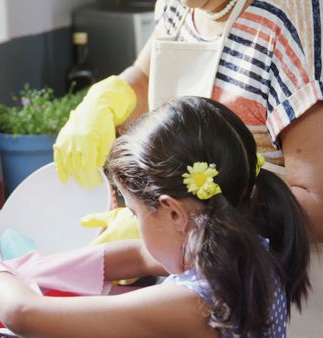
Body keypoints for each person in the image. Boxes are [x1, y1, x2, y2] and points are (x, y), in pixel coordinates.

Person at [0, 97, 311, 338]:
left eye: (135, 213)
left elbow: (26, 316)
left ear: (172, 211)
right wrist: (17, 270)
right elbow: (137, 256)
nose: (134, 224)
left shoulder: (196, 302)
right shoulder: (246, 249)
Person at [53, 0, 323, 242]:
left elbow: (317, 206)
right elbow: (147, 77)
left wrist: (181, 223)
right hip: (195, 258)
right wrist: (107, 100)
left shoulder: (292, 20)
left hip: (278, 275)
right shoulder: (179, 6)